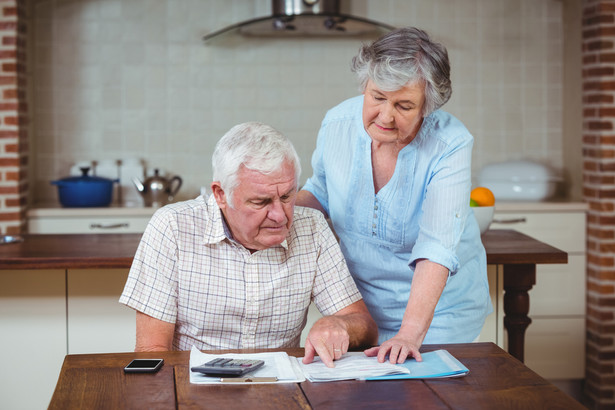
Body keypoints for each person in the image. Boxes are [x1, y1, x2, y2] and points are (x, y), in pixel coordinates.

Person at [296, 27, 492, 364]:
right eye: (377, 97)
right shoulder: (338, 123)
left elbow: (437, 247)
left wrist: (409, 334)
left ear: (426, 107)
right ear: (364, 86)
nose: (386, 116)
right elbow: (320, 192)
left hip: (437, 317)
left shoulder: (450, 144)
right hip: (361, 311)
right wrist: (273, 211)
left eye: (404, 105)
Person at [119, 122, 378, 367]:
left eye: (287, 196)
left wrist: (341, 326)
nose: (280, 215)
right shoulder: (172, 227)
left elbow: (364, 326)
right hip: (193, 390)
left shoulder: (311, 227)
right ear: (221, 194)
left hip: (281, 391)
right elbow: (152, 352)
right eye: (261, 202)